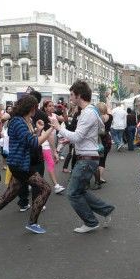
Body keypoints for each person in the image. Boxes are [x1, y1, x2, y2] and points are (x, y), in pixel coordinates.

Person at [0, 95, 53, 234]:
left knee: (8, 196)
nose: (36, 109)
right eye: (35, 106)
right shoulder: (18, 122)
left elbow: (28, 140)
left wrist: (39, 130)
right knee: (46, 189)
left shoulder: (21, 120)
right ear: (30, 107)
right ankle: (32, 223)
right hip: (21, 165)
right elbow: (34, 143)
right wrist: (51, 128)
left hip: (19, 163)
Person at [49, 80, 115, 233]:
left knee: (72, 193)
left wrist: (59, 128)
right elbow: (98, 130)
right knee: (79, 191)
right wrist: (70, 137)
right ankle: (106, 210)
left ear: (79, 95)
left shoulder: (88, 113)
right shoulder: (91, 111)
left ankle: (91, 222)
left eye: (72, 95)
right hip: (88, 157)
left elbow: (78, 137)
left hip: (86, 158)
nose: (70, 98)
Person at [40, 100, 65, 194]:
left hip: (50, 143)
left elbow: (64, 119)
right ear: (45, 107)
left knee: (39, 166)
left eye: (53, 106)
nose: (52, 107)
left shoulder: (54, 115)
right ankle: (56, 185)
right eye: (49, 106)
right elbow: (49, 135)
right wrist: (55, 151)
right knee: (50, 163)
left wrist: (64, 110)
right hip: (44, 144)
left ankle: (32, 183)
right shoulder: (43, 117)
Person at [92, 102, 113, 188]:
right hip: (107, 139)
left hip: (97, 139)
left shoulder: (97, 118)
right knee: (103, 160)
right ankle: (99, 177)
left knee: (95, 159)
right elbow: (109, 110)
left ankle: (97, 178)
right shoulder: (110, 117)